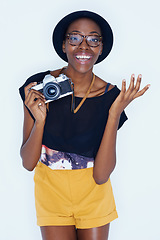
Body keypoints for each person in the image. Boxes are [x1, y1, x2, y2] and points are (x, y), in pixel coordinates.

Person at [19, 10, 150, 240]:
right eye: (75, 37)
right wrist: (39, 121)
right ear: (63, 44)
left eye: (93, 39)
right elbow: (28, 163)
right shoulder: (38, 87)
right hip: (51, 197)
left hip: (94, 199)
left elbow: (101, 176)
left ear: (101, 48)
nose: (84, 46)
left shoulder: (111, 96)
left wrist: (114, 114)